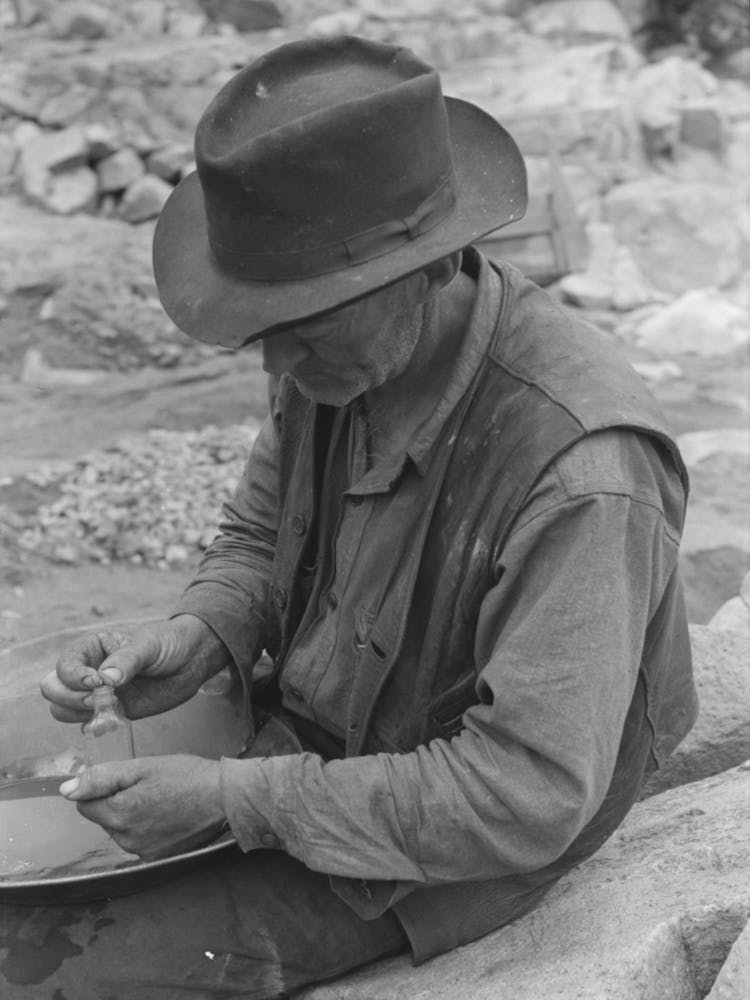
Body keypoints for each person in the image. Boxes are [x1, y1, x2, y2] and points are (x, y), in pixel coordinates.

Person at [13, 34, 696, 1000]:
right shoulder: (337, 355)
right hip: (311, 742)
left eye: (303, 326)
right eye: (265, 331)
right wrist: (201, 632)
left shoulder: (582, 468)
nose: (274, 368)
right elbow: (258, 535)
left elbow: (527, 793)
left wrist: (235, 798)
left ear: (428, 263)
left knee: (36, 973)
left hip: (441, 845)